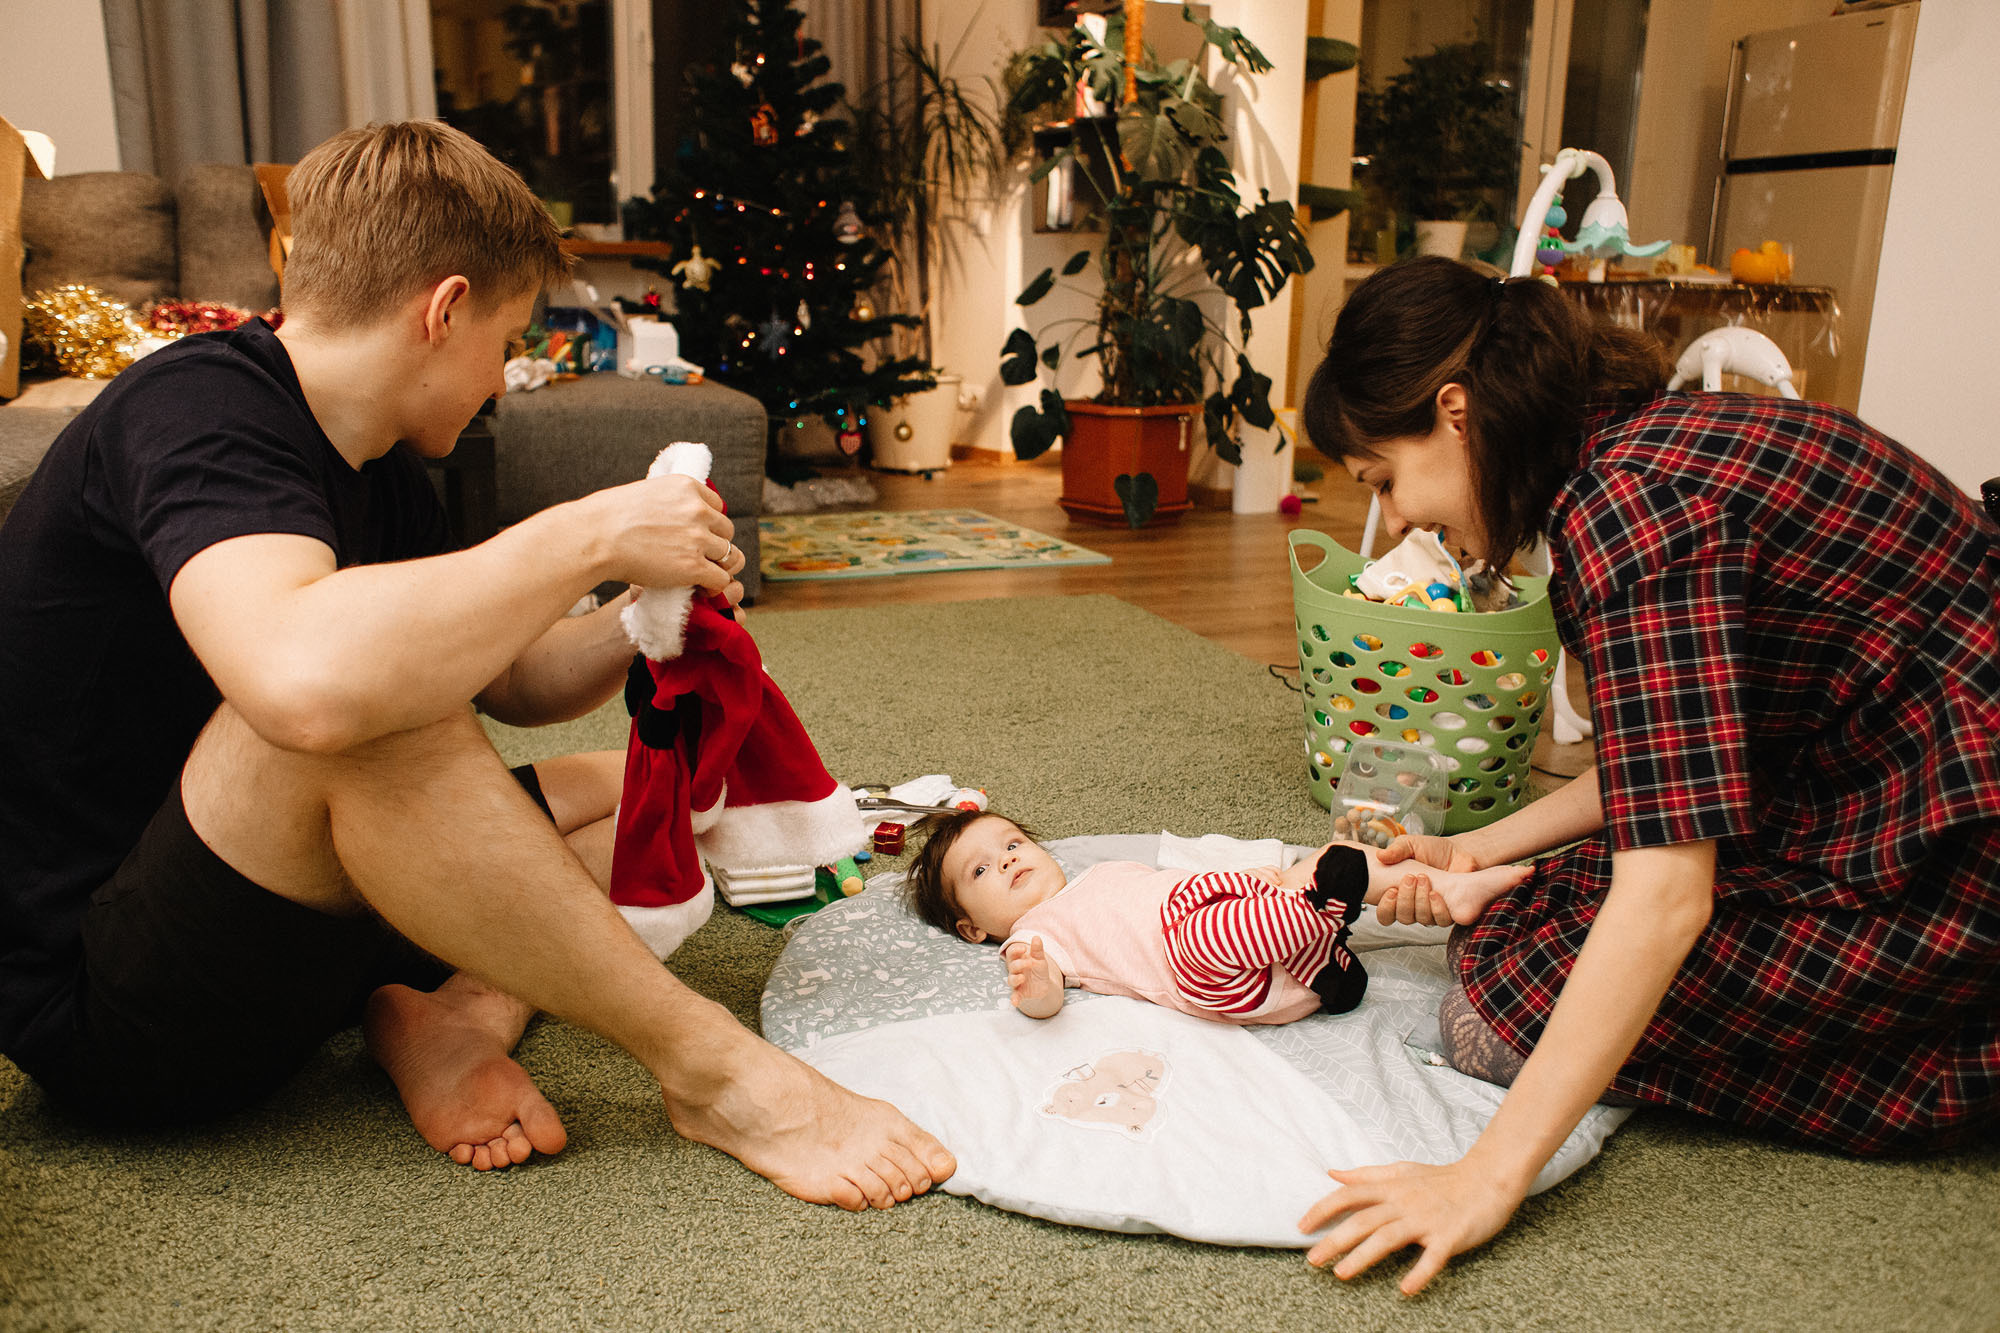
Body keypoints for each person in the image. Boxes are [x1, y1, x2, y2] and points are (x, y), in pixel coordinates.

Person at [0, 121, 953, 1211]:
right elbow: (303, 686)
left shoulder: (382, 463)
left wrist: (643, 616)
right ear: (443, 309)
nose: (503, 378)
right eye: (504, 339)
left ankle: (451, 1010)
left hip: (274, 918)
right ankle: (716, 1071)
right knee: (356, 715)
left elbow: (511, 681)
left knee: (665, 785)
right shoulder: (197, 411)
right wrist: (588, 534)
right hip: (119, 1008)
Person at [1294, 256, 1999, 1293]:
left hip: (1954, 851)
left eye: (1382, 481)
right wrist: (1474, 847)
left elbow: (1667, 893)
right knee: (1532, 905)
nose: (1395, 520)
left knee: (1502, 1006)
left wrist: (1487, 1173)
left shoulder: (1627, 513)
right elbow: (1676, 752)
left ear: (1453, 412)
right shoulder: (1646, 448)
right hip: (1882, 775)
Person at [904, 809, 1529, 1022]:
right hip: (1213, 976)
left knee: (1331, 858)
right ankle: (1314, 920)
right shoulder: (1036, 935)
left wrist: (1264, 883)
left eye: (1012, 844)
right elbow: (1043, 1000)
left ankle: (1449, 891)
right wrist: (1036, 985)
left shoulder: (1103, 875)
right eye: (981, 872)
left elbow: (1193, 887)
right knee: (1194, 932)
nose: (1008, 862)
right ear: (973, 928)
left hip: (1267, 942)